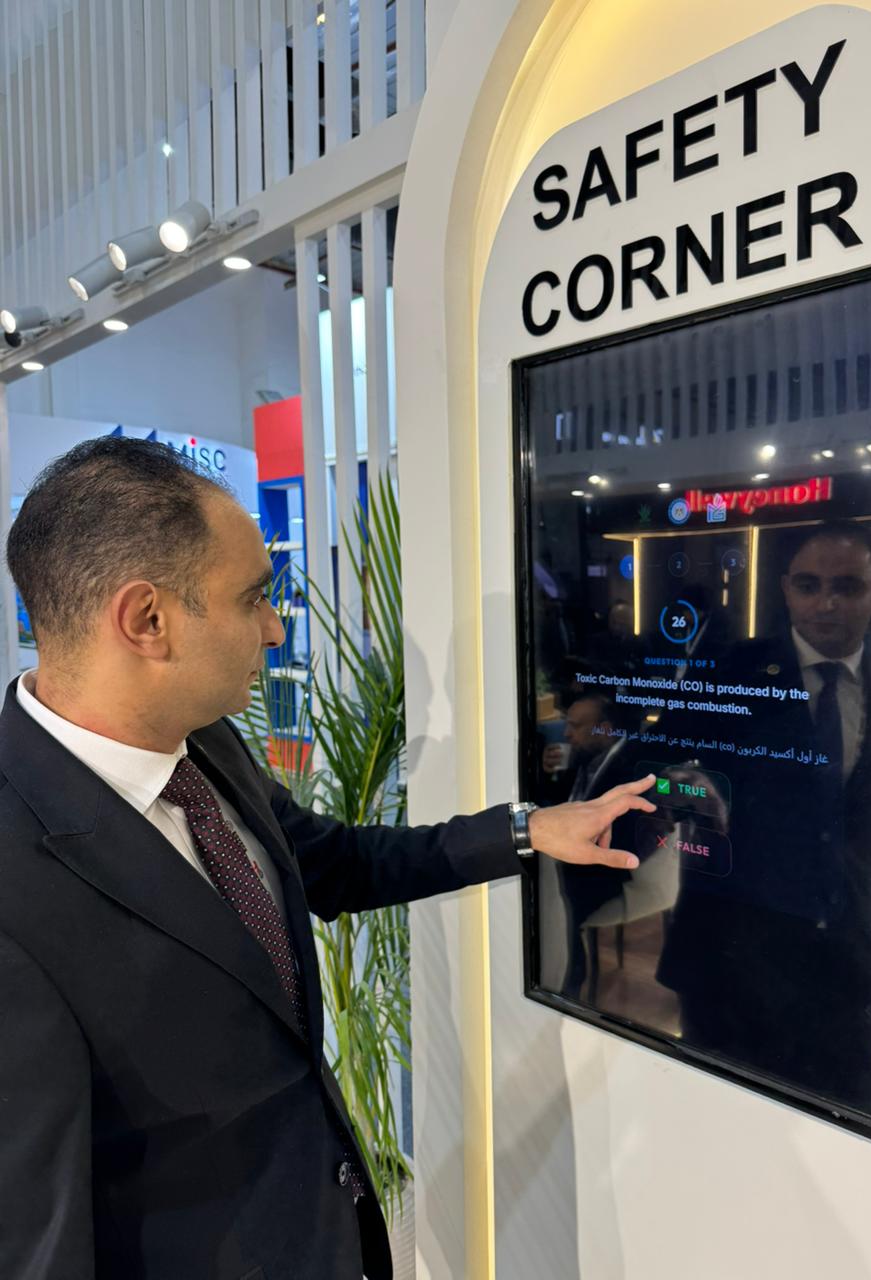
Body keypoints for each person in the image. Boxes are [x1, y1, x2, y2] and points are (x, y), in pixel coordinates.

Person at [0, 438, 659, 1280]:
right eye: (253, 598)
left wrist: (526, 832)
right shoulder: (16, 884)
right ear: (147, 621)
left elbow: (333, 863)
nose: (276, 628)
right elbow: (36, 1240)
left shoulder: (206, 746)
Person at [657, 520, 871, 1112]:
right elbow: (653, 763)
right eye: (809, 585)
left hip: (848, 963)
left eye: (848, 586)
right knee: (714, 1120)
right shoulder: (733, 670)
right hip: (730, 957)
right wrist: (685, 784)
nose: (826, 603)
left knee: (840, 1126)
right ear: (785, 589)